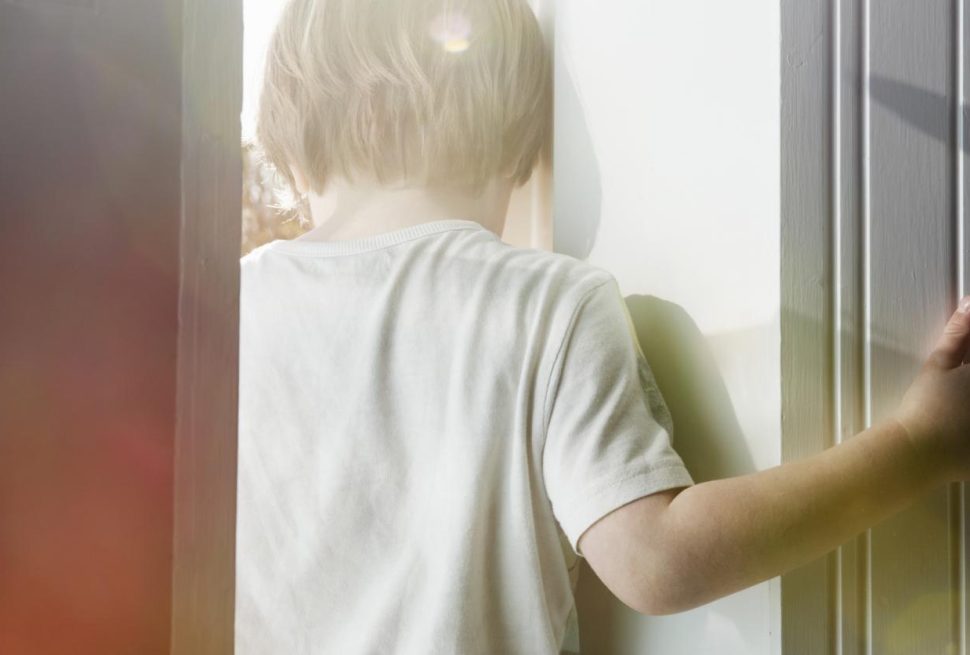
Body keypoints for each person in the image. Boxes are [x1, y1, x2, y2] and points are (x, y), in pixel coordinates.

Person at [234, 0, 970, 652]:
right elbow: (655, 562)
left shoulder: (226, 309)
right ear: (517, 142)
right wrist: (917, 444)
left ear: (293, 140)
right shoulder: (548, 302)